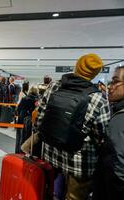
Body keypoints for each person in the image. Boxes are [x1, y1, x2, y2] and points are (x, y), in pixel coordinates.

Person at [35, 54, 110, 200]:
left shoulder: (54, 86)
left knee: (48, 193)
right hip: (80, 164)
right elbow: (102, 137)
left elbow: (40, 119)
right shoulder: (98, 98)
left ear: (77, 66)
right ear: (95, 73)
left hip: (51, 154)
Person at [93, 66, 124, 200]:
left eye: (115, 81)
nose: (110, 87)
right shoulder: (116, 112)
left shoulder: (120, 118)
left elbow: (119, 168)